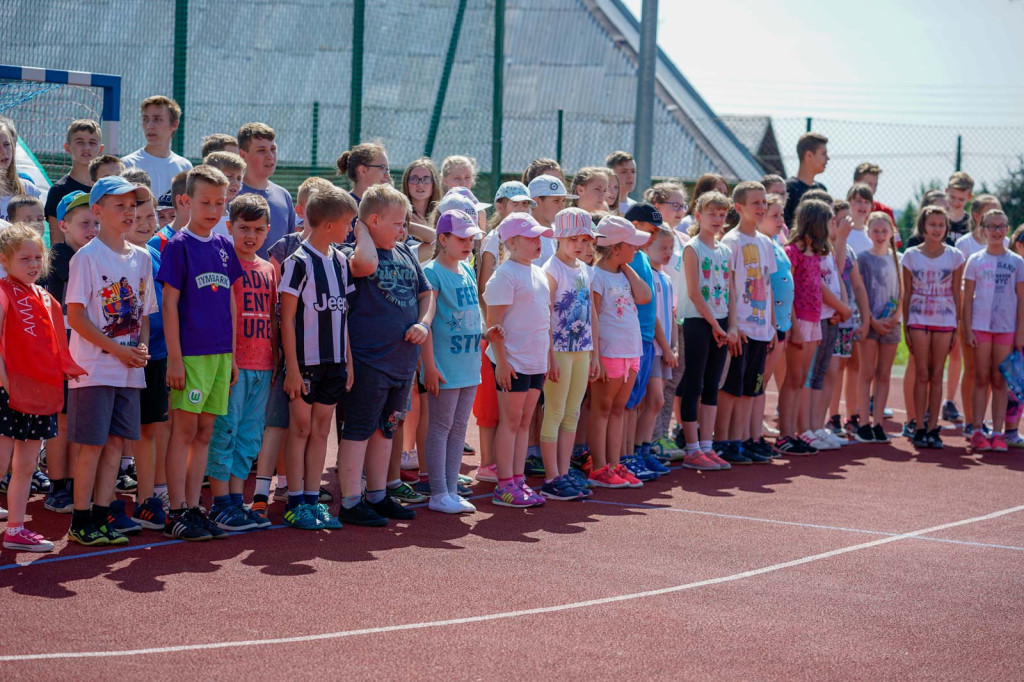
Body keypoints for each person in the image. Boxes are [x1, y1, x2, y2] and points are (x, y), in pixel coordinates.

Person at [65, 176, 155, 546]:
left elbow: (144, 314)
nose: (129, 212)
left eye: (133, 205)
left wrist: (141, 349)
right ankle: (80, 519)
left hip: (128, 370)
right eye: (120, 206)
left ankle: (103, 515)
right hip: (94, 369)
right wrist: (116, 349)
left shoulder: (143, 257)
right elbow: (75, 316)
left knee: (117, 445)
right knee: (93, 445)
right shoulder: (86, 257)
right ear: (98, 211)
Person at [336, 184, 433, 526]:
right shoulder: (352, 253)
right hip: (368, 362)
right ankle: (350, 501)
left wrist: (423, 323)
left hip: (401, 364)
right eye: (397, 224)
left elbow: (426, 293)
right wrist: (362, 229)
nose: (404, 230)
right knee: (359, 430)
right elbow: (363, 263)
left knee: (386, 431)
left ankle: (377, 495)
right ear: (372, 221)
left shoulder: (406, 253)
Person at [158, 165, 243, 540]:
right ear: (186, 201)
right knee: (185, 429)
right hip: (191, 356)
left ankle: (194, 506)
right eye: (206, 202)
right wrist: (174, 358)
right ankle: (175, 509)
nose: (213, 209)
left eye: (220, 203)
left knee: (206, 430)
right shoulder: (177, 245)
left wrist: (234, 355)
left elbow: (231, 303)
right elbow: (169, 306)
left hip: (221, 355)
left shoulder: (225, 246)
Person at [0, 223, 85, 551]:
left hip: (39, 394)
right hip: (9, 393)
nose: (34, 264)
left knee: (25, 466)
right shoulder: (4, 291)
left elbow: (54, 345)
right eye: (25, 259)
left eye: (38, 257)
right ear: (5, 260)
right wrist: (5, 382)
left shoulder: (47, 298)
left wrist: (67, 368)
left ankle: (16, 529)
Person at [251, 176, 332, 515]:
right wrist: (278, 348)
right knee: (276, 421)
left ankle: (292, 487)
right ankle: (259, 491)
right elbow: (274, 301)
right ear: (301, 210)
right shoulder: (284, 248)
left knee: (305, 426)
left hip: (316, 357)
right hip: (284, 351)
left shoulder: (334, 253)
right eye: (313, 204)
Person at [279, 187, 358, 530]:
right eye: (347, 223)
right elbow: (286, 319)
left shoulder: (341, 262)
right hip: (305, 364)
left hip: (335, 363)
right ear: (328, 225)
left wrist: (348, 362)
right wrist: (292, 369)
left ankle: (313, 499)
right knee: (300, 429)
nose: (350, 229)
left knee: (322, 430)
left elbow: (344, 318)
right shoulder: (297, 263)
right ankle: (295, 501)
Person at [200, 194, 278, 530]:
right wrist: (227, 359)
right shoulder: (224, 262)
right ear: (229, 226)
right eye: (244, 227)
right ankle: (219, 503)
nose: (251, 235)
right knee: (225, 433)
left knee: (249, 437)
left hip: (263, 366)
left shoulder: (268, 269)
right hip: (233, 366)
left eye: (259, 229)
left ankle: (235, 500)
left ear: (268, 231)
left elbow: (274, 318)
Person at [483, 213, 552, 506]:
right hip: (512, 362)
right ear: (511, 242)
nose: (538, 243)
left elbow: (544, 321)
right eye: (531, 237)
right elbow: (493, 326)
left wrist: (548, 360)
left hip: (535, 362)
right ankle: (504, 486)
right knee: (510, 422)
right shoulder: (504, 275)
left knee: (524, 422)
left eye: (539, 237)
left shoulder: (538, 273)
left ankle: (518, 480)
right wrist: (502, 362)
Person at [420, 210, 484, 513]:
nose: (468, 243)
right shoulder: (431, 272)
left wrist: (488, 334)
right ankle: (438, 492)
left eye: (470, 238)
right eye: (461, 238)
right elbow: (428, 322)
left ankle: (450, 489)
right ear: (442, 239)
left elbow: (472, 315)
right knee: (441, 426)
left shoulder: (467, 270)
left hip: (469, 364)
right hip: (445, 367)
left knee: (459, 428)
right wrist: (429, 366)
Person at [40, 192, 98, 514]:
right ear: (62, 225)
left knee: (80, 420)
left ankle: (77, 482)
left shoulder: (101, 257)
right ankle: (58, 485)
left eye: (96, 222)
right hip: (59, 353)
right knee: (61, 420)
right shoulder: (52, 263)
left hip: (90, 353)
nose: (92, 229)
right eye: (84, 223)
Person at [584, 215, 651, 487]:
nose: (637, 249)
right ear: (615, 248)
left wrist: (627, 268)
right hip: (609, 352)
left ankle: (614, 464)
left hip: (630, 351)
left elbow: (645, 296)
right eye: (631, 245)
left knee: (618, 409)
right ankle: (599, 467)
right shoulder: (596, 276)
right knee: (601, 408)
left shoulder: (624, 272)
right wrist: (596, 357)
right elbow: (594, 317)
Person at [537, 207, 598, 500]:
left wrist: (593, 352)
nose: (581, 246)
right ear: (559, 237)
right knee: (555, 412)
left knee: (572, 414)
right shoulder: (550, 270)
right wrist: (549, 356)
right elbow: (546, 315)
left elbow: (591, 314)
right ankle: (551, 478)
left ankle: (562, 473)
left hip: (581, 351)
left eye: (587, 240)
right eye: (575, 239)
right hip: (559, 351)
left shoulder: (585, 270)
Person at [474, 182, 533, 482]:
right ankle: (488, 462)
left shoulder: (530, 242)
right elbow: (487, 291)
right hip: (495, 335)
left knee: (515, 408)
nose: (523, 209)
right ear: (500, 207)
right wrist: (491, 333)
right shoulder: (494, 241)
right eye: (516, 204)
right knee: (490, 403)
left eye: (526, 205)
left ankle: (507, 464)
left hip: (521, 337)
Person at [715, 181, 776, 464]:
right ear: (738, 208)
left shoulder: (766, 242)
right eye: (756, 203)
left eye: (764, 202)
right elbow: (727, 286)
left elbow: (768, 284)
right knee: (731, 388)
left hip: (762, 328)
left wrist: (772, 325)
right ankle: (722, 440)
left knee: (752, 388)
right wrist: (733, 325)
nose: (762, 208)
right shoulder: (731, 242)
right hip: (741, 329)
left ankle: (740, 441)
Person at [675, 192, 733, 470]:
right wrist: (714, 324)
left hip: (720, 322)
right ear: (698, 216)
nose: (718, 219)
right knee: (695, 381)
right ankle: (691, 448)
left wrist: (730, 326)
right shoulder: (693, 248)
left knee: (712, 384)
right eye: (712, 214)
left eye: (722, 214)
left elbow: (730, 290)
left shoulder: (725, 250)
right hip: (699, 321)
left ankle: (707, 446)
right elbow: (695, 292)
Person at [902, 206, 965, 449]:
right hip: (918, 320)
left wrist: (957, 326)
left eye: (941, 225)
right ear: (923, 226)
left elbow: (956, 292)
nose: (936, 229)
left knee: (937, 374)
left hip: (945, 320)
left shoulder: (955, 256)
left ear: (946, 228)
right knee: (922, 373)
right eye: (932, 224)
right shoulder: (909, 255)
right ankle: (918, 426)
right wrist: (906, 325)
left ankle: (932, 427)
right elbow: (907, 294)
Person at [962, 209, 1024, 453]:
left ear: (1007, 229)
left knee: (1000, 381)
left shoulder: (1017, 262)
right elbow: (967, 299)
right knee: (981, 378)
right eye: (992, 226)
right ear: (983, 230)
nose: (997, 231)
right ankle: (977, 430)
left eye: (1001, 226)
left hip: (1006, 328)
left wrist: (1020, 332)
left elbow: (1021, 299)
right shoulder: (975, 261)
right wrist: (967, 330)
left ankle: (998, 433)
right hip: (980, 327)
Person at [776, 199, 832, 456]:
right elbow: (790, 290)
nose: (831, 227)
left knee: (801, 379)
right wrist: (795, 327)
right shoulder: (792, 252)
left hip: (814, 321)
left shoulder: (816, 253)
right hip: (799, 322)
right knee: (793, 378)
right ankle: (784, 435)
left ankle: (795, 432)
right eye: (828, 221)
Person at [621, 202, 670, 479]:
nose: (653, 238)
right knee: (626, 404)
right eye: (650, 231)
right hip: (631, 340)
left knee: (636, 404)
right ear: (635, 226)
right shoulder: (628, 257)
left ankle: (634, 454)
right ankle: (624, 457)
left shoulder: (641, 258)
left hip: (647, 341)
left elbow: (651, 307)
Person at [645, 182, 689, 454]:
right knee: (656, 386)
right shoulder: (650, 239)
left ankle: (663, 435)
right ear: (658, 206)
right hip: (659, 323)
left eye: (683, 205)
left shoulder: (682, 239)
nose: (681, 210)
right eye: (675, 204)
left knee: (672, 382)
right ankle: (652, 438)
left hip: (678, 321)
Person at [955, 194, 1004, 437]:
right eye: (990, 212)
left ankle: (982, 421)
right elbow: (962, 284)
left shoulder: (1003, 247)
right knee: (973, 370)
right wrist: (963, 320)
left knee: (992, 373)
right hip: (972, 318)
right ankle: (969, 420)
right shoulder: (965, 245)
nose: (996, 219)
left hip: (999, 322)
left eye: (999, 213)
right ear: (977, 217)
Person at [853, 212, 902, 443]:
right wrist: (871, 319)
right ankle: (863, 423)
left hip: (891, 323)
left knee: (883, 374)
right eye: (876, 231)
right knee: (866, 372)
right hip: (869, 323)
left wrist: (895, 318)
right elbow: (859, 290)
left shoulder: (898, 259)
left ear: (892, 232)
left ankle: (878, 423)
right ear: (868, 233)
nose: (881, 235)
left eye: (885, 231)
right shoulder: (862, 259)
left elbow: (903, 292)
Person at [638, 225, 681, 460]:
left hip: (664, 349)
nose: (668, 252)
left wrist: (674, 345)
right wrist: (666, 347)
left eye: (671, 248)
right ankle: (643, 448)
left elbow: (671, 316)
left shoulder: (665, 277)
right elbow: (652, 316)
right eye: (662, 247)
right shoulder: (648, 276)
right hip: (653, 348)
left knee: (656, 401)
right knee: (654, 399)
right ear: (647, 246)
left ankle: (645, 449)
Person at [755, 193, 792, 447]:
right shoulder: (760, 245)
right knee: (759, 380)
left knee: (764, 381)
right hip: (768, 326)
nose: (780, 220)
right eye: (774, 215)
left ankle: (755, 430)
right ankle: (751, 433)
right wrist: (772, 326)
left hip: (782, 324)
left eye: (781, 215)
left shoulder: (776, 242)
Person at [236, 122, 295, 258]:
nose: (270, 156)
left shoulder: (284, 195)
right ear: (243, 154)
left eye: (273, 149)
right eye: (261, 150)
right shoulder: (231, 195)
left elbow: (290, 247)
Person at [44, 119, 103, 243]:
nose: (86, 148)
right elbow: (57, 244)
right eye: (80, 142)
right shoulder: (59, 190)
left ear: (101, 149)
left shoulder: (105, 190)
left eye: (92, 142)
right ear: (67, 147)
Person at [121, 96, 192, 197]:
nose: (149, 125)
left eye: (157, 119)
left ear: (174, 125)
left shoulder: (185, 166)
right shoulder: (128, 164)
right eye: (145, 119)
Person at [784, 132, 829, 225]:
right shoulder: (788, 188)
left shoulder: (822, 189)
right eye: (823, 154)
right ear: (809, 155)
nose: (828, 158)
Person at [851, 162, 898, 247]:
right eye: (868, 184)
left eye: (875, 185)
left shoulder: (884, 211)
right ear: (855, 183)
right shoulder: (843, 210)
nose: (872, 189)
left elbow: (895, 244)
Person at [204, 151, 246, 239]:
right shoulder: (197, 218)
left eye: (239, 178)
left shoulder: (235, 222)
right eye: (229, 176)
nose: (235, 183)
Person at [401, 158, 442, 225]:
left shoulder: (443, 214)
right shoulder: (397, 212)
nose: (420, 184)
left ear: (434, 183)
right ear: (406, 183)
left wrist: (424, 229)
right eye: (414, 179)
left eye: (426, 179)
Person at [945, 171, 975, 243]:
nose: (956, 202)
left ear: (969, 197)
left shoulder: (971, 224)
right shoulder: (936, 219)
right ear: (946, 191)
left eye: (961, 199)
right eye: (952, 197)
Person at [605, 151, 637, 215]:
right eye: (624, 172)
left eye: (633, 171)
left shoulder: (635, 207)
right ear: (611, 174)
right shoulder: (603, 205)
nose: (630, 176)